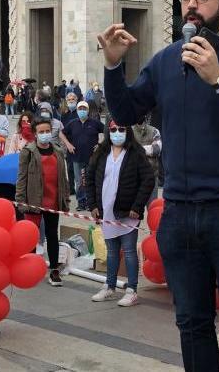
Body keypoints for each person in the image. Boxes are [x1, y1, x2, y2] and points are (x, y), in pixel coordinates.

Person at [98, 0, 219, 369]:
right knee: (192, 322)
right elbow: (126, 111)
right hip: (180, 211)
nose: (192, 5)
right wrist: (113, 66)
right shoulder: (166, 60)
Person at [86, 120, 154, 306]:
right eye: (114, 129)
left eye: (121, 129)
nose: (117, 133)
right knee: (112, 252)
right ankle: (109, 286)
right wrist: (92, 205)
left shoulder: (136, 154)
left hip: (127, 213)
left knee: (130, 251)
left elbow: (148, 180)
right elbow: (90, 178)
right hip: (105, 211)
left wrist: (137, 207)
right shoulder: (101, 153)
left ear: (127, 131)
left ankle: (132, 290)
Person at [15, 117, 69, 286]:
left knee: (53, 236)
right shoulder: (28, 152)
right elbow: (21, 177)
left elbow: (64, 179)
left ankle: (54, 270)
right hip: (33, 201)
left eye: (47, 131)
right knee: (31, 237)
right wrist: (20, 200)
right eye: (41, 132)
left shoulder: (58, 151)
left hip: (53, 201)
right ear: (35, 134)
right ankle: (28, 270)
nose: (45, 134)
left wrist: (65, 200)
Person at [61, 101, 104, 211]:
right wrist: (68, 144)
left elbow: (107, 131)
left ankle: (92, 203)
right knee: (79, 181)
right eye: (80, 109)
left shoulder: (94, 123)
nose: (82, 111)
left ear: (88, 110)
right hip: (77, 156)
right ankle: (81, 202)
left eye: (84, 109)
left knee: (91, 179)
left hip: (92, 157)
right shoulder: (72, 123)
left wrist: (100, 144)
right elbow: (61, 133)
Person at [131, 114, 162, 204]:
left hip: (151, 176)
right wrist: (148, 149)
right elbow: (128, 150)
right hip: (134, 177)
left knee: (152, 207)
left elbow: (157, 149)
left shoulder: (154, 131)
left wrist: (138, 149)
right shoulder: (130, 131)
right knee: (134, 212)